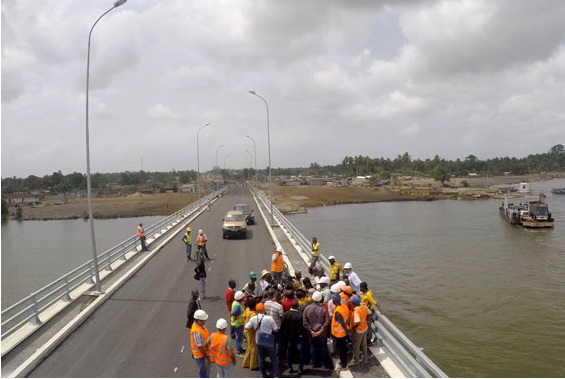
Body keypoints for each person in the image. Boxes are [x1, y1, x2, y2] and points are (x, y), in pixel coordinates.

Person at [245, 302, 281, 378]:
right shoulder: (269, 318)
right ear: (263, 309)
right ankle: (277, 375)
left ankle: (263, 375)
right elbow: (275, 330)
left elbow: (247, 327)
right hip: (269, 341)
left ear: (256, 310)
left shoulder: (253, 318)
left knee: (261, 358)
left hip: (259, 340)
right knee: (273, 359)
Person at [303, 291, 333, 370]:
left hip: (311, 332)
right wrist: (320, 331)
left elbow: (305, 321)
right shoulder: (323, 309)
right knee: (323, 347)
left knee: (313, 346)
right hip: (322, 333)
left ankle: (313, 363)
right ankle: (323, 363)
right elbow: (327, 321)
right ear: (320, 299)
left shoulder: (307, 308)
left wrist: (311, 330)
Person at [280, 300, 307, 375]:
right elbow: (301, 328)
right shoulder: (300, 315)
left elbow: (282, 327)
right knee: (300, 353)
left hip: (288, 337)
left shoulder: (285, 314)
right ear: (298, 306)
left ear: (290, 306)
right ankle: (300, 368)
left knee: (289, 352)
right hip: (298, 338)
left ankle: (289, 367)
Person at [331, 294, 350, 371]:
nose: (331, 300)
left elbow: (342, 323)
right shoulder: (344, 307)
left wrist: (346, 331)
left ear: (335, 301)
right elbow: (347, 318)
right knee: (343, 349)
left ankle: (343, 365)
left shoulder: (338, 311)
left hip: (339, 334)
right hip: (342, 333)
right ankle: (343, 362)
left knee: (341, 350)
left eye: (332, 299)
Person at [191, 309, 211, 378]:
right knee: (204, 372)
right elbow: (200, 347)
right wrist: (207, 358)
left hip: (203, 354)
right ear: (199, 320)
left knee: (205, 371)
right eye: (204, 320)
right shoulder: (197, 332)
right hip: (201, 356)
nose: (205, 321)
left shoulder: (199, 326)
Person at [350, 296, 370, 364]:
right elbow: (369, 313)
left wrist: (352, 327)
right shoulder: (364, 307)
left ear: (353, 303)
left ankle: (356, 360)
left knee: (356, 345)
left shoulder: (356, 310)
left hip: (358, 330)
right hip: (365, 327)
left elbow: (357, 322)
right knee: (364, 344)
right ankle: (365, 359)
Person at [242, 298, 259, 370]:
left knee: (249, 346)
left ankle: (246, 363)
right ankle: (253, 365)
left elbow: (243, 317)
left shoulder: (247, 310)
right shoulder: (254, 314)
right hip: (251, 332)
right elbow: (254, 324)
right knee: (253, 348)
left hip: (246, 330)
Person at [230, 291, 246, 357]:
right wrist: (236, 317)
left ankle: (240, 348)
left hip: (236, 324)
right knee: (239, 338)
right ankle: (238, 352)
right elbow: (232, 313)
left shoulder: (236, 302)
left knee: (239, 337)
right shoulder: (237, 305)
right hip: (238, 324)